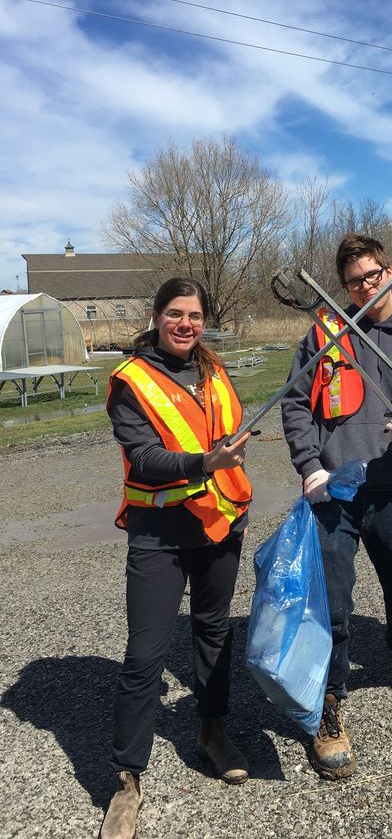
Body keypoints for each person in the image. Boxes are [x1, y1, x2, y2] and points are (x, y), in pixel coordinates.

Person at [281, 234, 392, 780]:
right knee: (333, 603)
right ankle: (328, 703)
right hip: (333, 491)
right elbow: (293, 403)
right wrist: (310, 465)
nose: (365, 286)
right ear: (343, 285)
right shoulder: (322, 336)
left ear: (390, 272)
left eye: (373, 274)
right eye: (354, 280)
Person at [99, 278, 253, 839]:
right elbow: (141, 458)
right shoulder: (130, 382)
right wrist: (206, 462)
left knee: (214, 631)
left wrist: (228, 457)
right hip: (159, 531)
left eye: (194, 315)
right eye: (175, 314)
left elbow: (226, 433)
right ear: (156, 316)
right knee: (145, 654)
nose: (185, 324)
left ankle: (213, 731)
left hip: (219, 523)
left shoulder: (213, 372)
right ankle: (126, 780)